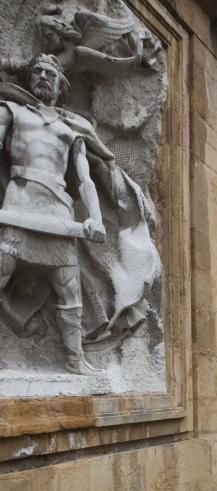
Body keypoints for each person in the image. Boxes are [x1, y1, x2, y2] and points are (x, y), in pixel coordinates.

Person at [0, 54, 105, 374]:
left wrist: (96, 217)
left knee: (69, 287)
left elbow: (85, 178)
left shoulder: (72, 129)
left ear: (61, 83)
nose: (42, 77)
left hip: (59, 209)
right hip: (21, 199)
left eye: (49, 73)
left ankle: (75, 360)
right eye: (37, 72)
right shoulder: (12, 111)